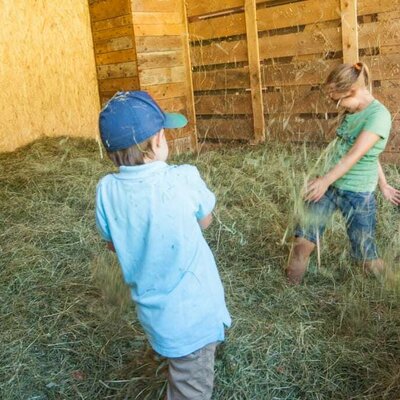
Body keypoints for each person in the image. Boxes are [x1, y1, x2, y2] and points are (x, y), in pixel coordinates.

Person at [95, 91, 231, 399]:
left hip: (154, 312)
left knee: (174, 350)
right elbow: (205, 220)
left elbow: (113, 244)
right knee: (190, 387)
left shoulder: (105, 191)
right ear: (158, 141)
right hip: (194, 316)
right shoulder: (183, 178)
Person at [286, 62, 400, 285]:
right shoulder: (353, 111)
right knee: (301, 244)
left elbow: (356, 155)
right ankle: (287, 293)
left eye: (336, 100)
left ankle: (393, 287)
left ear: (352, 91)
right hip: (329, 186)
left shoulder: (379, 116)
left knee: (367, 259)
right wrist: (383, 183)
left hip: (358, 194)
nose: (336, 105)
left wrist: (324, 181)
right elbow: (364, 152)